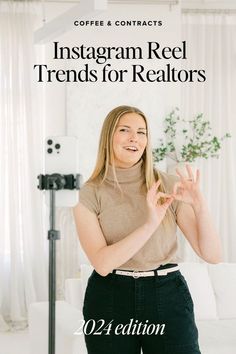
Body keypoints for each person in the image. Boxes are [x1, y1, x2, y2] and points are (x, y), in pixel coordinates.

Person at [73, 105, 222, 354]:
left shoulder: (168, 184)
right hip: (110, 298)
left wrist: (200, 205)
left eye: (142, 132)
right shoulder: (89, 193)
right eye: (125, 130)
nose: (135, 138)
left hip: (167, 296)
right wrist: (151, 223)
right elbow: (102, 263)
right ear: (108, 136)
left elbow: (213, 255)